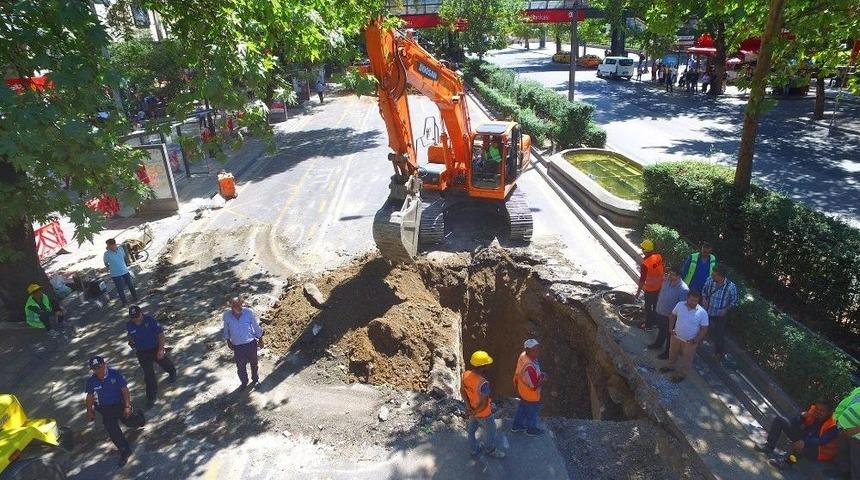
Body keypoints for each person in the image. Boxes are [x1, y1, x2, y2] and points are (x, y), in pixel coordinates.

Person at [754, 400, 839, 469]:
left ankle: (788, 462)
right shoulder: (812, 413)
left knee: (804, 446)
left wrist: (805, 442)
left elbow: (822, 441)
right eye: (817, 408)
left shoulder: (832, 426)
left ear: (829, 412)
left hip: (817, 450)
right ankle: (769, 446)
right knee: (780, 420)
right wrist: (801, 416)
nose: (818, 411)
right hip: (804, 437)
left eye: (822, 410)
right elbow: (793, 423)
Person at [85, 356, 135, 466]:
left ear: (104, 365)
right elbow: (90, 397)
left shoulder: (115, 374)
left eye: (99, 367)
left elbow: (125, 390)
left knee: (132, 422)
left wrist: (127, 406)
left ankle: (139, 418)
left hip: (120, 405)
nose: (97, 370)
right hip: (105, 409)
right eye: (94, 368)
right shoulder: (91, 381)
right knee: (113, 431)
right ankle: (125, 450)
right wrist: (89, 411)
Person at [126, 306, 177, 408]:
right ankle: (151, 397)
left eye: (137, 316)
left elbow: (161, 335)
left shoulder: (150, 321)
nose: (136, 319)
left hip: (155, 348)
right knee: (149, 374)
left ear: (141, 313)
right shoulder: (129, 325)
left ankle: (172, 372)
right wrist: (131, 341)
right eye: (133, 317)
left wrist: (161, 349)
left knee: (164, 362)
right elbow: (130, 335)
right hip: (142, 352)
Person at [461, 350, 506, 459]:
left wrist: (469, 408)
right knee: (492, 430)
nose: (488, 366)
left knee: (471, 431)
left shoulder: (465, 375)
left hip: (472, 409)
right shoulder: (483, 383)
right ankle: (490, 450)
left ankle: (474, 450)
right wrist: (475, 412)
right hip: (483, 414)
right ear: (483, 366)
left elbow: (462, 391)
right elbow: (484, 403)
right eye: (486, 364)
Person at [659, 290, 709, 383]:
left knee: (687, 359)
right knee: (672, 352)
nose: (693, 302)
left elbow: (704, 328)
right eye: (691, 300)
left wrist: (696, 339)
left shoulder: (702, 313)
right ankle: (670, 366)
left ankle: (682, 374)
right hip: (676, 336)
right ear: (687, 298)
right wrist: (670, 328)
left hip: (690, 342)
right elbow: (672, 315)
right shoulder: (680, 305)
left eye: (696, 301)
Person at [223, 296, 264, 390]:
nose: (239, 307)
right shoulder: (227, 316)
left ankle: (255, 379)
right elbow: (226, 329)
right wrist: (228, 341)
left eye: (240, 305)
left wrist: (260, 339)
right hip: (237, 346)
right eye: (235, 306)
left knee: (254, 363)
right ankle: (244, 382)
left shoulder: (248, 312)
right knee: (240, 366)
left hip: (250, 343)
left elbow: (256, 326)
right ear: (231, 306)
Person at [648, 268, 689, 358]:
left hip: (670, 317)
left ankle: (668, 353)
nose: (669, 276)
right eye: (669, 274)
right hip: (660, 311)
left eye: (672, 275)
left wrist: (676, 318)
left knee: (670, 335)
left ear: (678, 276)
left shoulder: (683, 289)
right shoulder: (666, 281)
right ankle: (658, 344)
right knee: (661, 330)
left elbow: (682, 306)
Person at [701, 265, 739, 363]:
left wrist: (726, 310)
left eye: (714, 275)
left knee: (719, 335)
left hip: (720, 315)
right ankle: (696, 344)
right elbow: (704, 290)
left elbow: (735, 301)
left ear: (721, 276)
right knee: (700, 328)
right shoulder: (710, 280)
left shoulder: (731, 287)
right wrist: (704, 299)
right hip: (707, 311)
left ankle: (718, 354)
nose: (712, 276)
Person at [512, 338, 547, 436]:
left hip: (522, 388)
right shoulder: (529, 368)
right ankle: (531, 430)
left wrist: (539, 373)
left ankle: (517, 425)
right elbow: (534, 386)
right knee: (533, 412)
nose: (537, 352)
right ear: (527, 350)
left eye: (537, 349)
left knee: (522, 407)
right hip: (530, 394)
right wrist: (543, 380)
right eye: (533, 350)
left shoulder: (523, 355)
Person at [635, 239, 664, 330]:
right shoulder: (658, 256)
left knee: (648, 308)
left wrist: (638, 292)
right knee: (655, 305)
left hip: (650, 289)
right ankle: (655, 322)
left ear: (645, 250)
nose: (642, 250)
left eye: (642, 248)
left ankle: (648, 326)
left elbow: (642, 280)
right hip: (659, 287)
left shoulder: (645, 264)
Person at [832, 386, 860, 479]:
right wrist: (837, 421)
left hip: (856, 436)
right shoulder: (858, 390)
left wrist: (851, 431)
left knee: (856, 462)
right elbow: (846, 403)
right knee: (843, 452)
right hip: (844, 427)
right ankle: (843, 474)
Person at [104, 239, 137, 307]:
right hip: (115, 274)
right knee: (120, 289)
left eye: (109, 245)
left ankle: (135, 296)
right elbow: (106, 263)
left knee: (130, 284)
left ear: (113, 245)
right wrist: (111, 267)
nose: (107, 247)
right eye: (107, 246)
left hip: (124, 270)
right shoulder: (106, 254)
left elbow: (124, 257)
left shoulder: (121, 249)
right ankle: (124, 302)